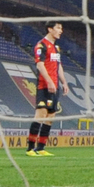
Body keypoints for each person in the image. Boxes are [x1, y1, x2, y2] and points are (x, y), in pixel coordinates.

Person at [26, 21, 69, 156]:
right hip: (44, 86)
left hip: (55, 86)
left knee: (50, 116)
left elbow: (58, 66)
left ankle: (41, 148)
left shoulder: (56, 48)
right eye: (58, 28)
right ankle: (30, 148)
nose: (60, 31)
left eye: (61, 28)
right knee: (41, 115)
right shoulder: (41, 45)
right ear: (50, 29)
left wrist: (64, 82)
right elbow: (40, 65)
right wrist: (50, 81)